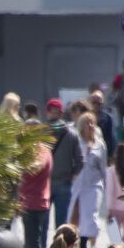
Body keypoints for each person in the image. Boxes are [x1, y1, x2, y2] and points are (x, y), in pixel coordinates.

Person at [15, 129, 53, 248]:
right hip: (32, 201)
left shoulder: (40, 150)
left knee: (35, 246)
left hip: (35, 202)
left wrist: (18, 164)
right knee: (34, 245)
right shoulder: (39, 149)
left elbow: (36, 167)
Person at [68, 112, 108, 248]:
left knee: (91, 214)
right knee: (76, 213)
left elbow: (103, 167)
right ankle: (72, 244)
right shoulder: (77, 142)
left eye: (92, 122)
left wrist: (107, 186)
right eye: (87, 123)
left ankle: (91, 246)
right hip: (78, 182)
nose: (90, 126)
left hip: (94, 183)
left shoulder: (100, 144)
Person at [47, 99, 81, 233]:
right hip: (64, 182)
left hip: (45, 183)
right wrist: (72, 174)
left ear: (47, 112)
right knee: (61, 225)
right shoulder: (72, 134)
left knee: (42, 224)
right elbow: (80, 160)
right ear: (61, 114)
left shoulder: (40, 133)